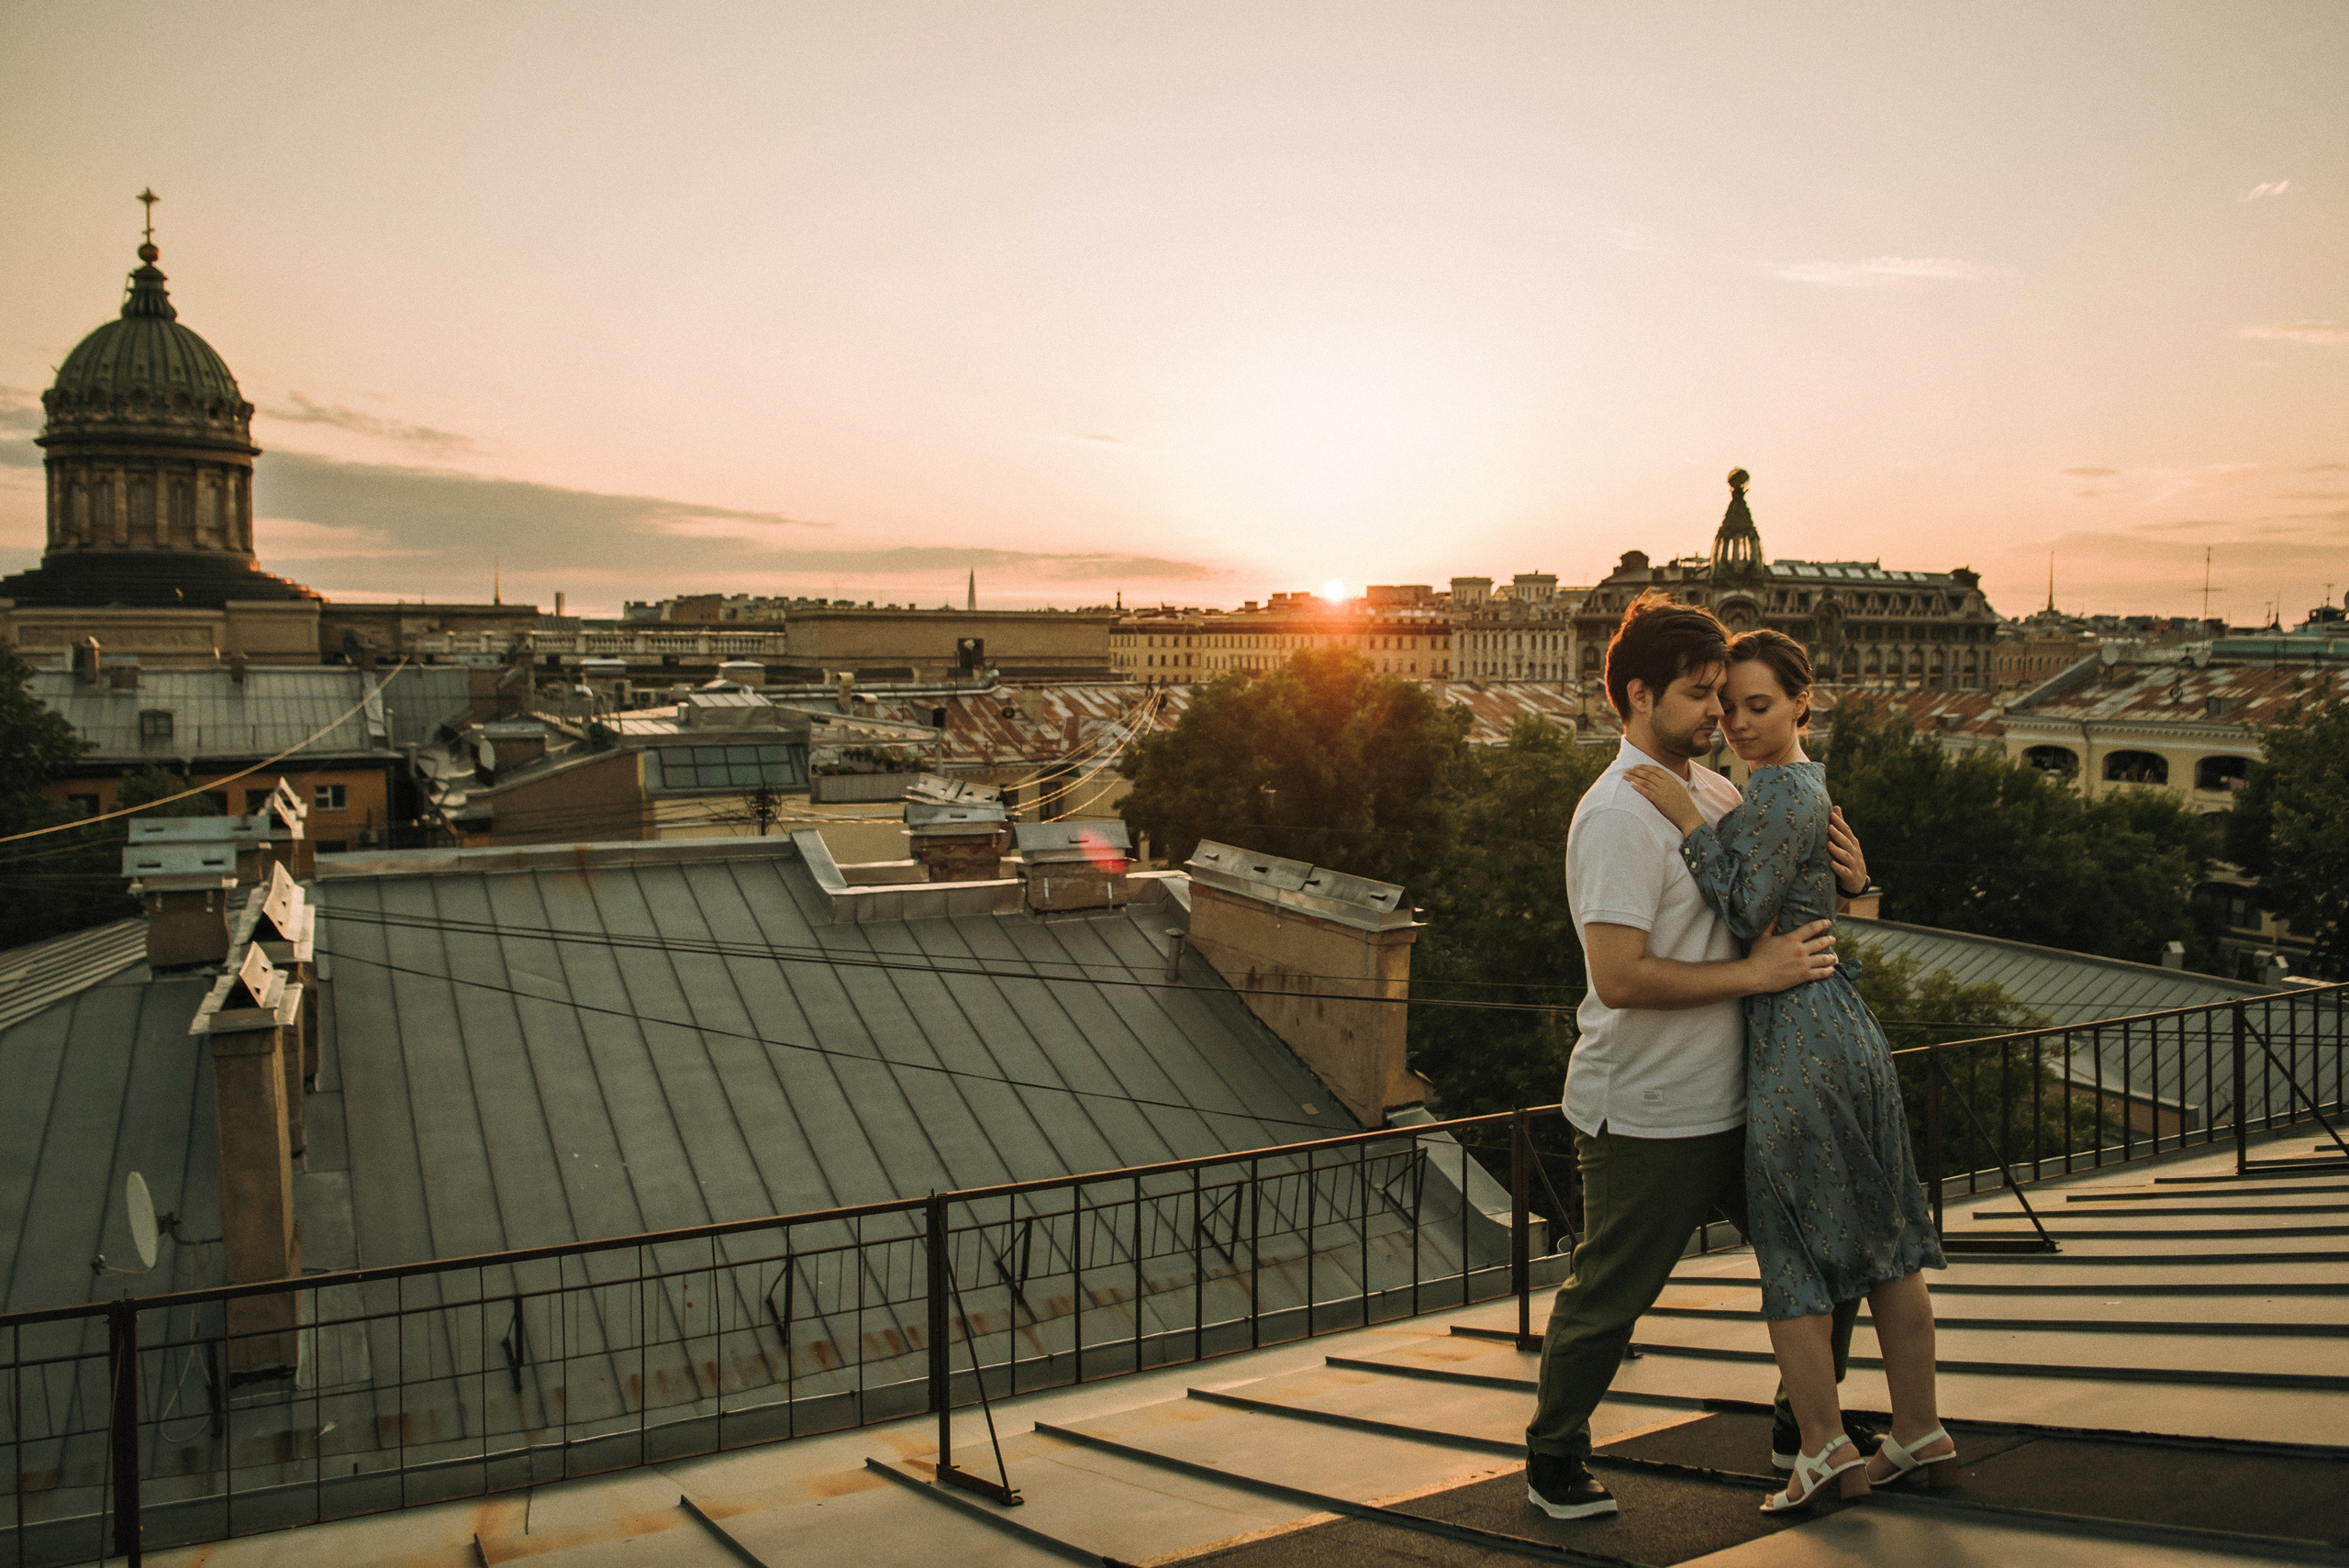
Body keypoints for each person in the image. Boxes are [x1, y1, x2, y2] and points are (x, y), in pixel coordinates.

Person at [1525, 595, 1871, 1522]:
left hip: (1747, 1091)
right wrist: (1756, 973)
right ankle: (1553, 1455)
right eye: (1696, 694)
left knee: (1823, 1263)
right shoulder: (1612, 817)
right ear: (1638, 694)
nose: (1717, 714)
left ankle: (1802, 1427)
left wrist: (1854, 880)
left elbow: (1785, 912)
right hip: (1648, 1104)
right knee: (1612, 1293)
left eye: (1723, 694)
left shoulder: (1714, 791)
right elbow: (1620, 975)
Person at [1625, 628, 1952, 1512]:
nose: (1736, 723)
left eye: (1758, 706)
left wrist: (1690, 817)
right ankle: (1918, 1429)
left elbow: (1739, 904)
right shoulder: (1806, 788)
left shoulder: (1773, 789)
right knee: (1888, 1240)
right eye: (1727, 706)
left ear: (1804, 703)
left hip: (1796, 1033)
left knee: (1793, 1245)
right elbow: (1809, 884)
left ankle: (1822, 1447)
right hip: (1845, 1025)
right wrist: (1858, 884)